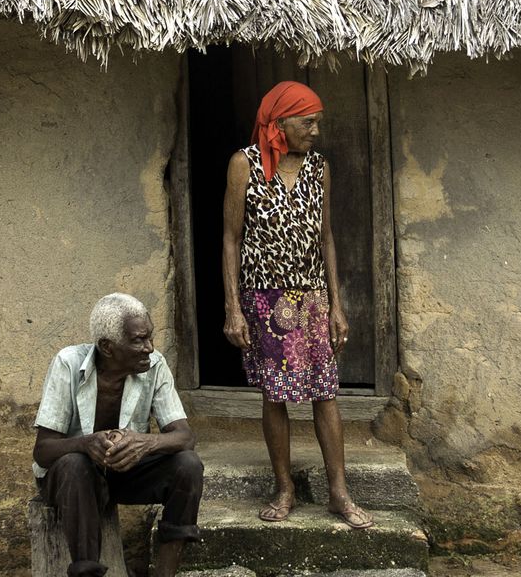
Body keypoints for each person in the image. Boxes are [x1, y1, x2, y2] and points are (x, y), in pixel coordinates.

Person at [220, 80, 373, 529]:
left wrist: (336, 305)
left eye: (318, 122)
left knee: (325, 393)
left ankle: (338, 493)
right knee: (274, 395)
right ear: (279, 121)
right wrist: (232, 306)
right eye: (308, 122)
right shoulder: (242, 165)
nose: (315, 131)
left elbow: (326, 237)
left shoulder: (319, 168)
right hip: (264, 299)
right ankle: (284, 488)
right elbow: (230, 239)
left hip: (311, 299)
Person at [33, 293, 204, 577]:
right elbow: (43, 450)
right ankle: (87, 572)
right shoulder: (68, 364)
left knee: (188, 465)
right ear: (107, 347)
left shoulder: (155, 365)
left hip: (125, 475)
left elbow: (185, 437)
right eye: (138, 340)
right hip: (71, 483)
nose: (148, 347)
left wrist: (146, 443)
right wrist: (86, 444)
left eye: (149, 337)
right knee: (74, 464)